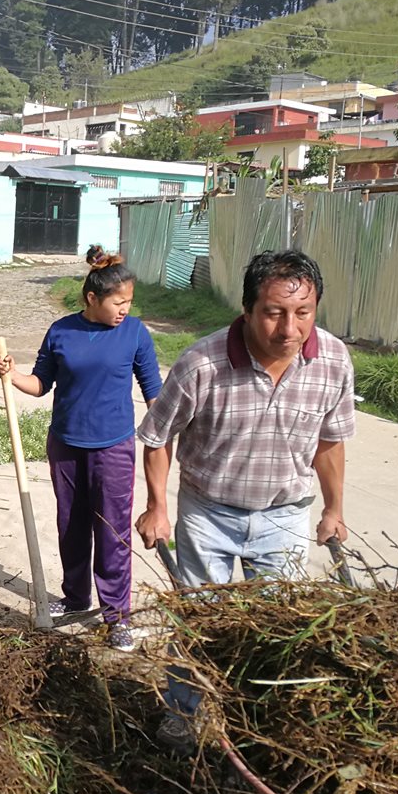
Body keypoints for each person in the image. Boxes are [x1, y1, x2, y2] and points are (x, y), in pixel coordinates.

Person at [133, 250, 355, 748]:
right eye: (275, 312)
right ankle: (183, 713)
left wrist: (334, 509)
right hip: (209, 513)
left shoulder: (334, 360)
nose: (289, 328)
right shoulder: (202, 363)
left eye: (303, 312)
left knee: (280, 629)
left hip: (286, 516)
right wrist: (157, 506)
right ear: (248, 309)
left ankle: (262, 723)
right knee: (199, 622)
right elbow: (155, 438)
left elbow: (330, 442)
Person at [0, 246, 161, 651]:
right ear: (91, 298)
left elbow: (155, 393)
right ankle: (75, 598)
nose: (124, 310)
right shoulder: (61, 331)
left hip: (113, 449)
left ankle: (116, 616)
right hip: (66, 445)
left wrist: (169, 433)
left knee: (112, 533)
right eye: (117, 302)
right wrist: (11, 374)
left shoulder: (135, 333)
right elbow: (40, 384)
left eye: (128, 303)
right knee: (71, 526)